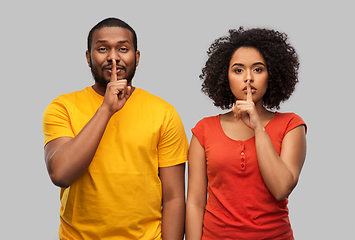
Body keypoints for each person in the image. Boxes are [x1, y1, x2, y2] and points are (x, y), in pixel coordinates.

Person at [42, 17, 188, 240]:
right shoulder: (63, 107)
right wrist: (106, 110)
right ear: (88, 57)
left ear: (136, 57)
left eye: (123, 48)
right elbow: (60, 174)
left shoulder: (164, 113)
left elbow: (174, 198)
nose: (113, 57)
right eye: (102, 49)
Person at [185, 27, 307, 239]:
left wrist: (258, 128)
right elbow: (195, 203)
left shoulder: (291, 125)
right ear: (226, 76)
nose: (248, 78)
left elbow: (281, 188)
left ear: (272, 75)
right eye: (238, 70)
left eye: (258, 69)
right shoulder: (204, 130)